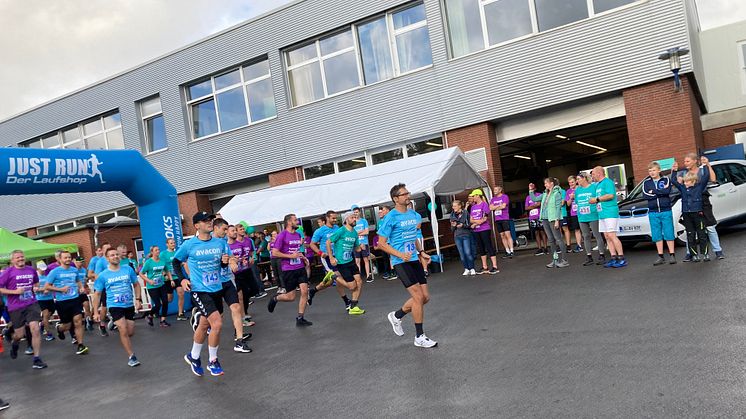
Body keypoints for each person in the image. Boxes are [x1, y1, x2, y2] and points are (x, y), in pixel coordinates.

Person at [174, 211, 232, 377]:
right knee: (217, 323)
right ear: (197, 225)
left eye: (211, 220)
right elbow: (176, 262)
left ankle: (193, 356)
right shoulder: (189, 245)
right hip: (199, 290)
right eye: (205, 220)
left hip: (216, 288)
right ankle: (213, 361)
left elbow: (221, 267)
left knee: (205, 324)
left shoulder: (219, 243)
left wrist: (223, 263)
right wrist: (182, 280)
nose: (209, 222)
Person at [380, 183, 436, 348]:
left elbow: (413, 237)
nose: (408, 196)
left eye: (408, 193)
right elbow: (381, 244)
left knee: (425, 297)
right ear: (396, 198)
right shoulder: (391, 217)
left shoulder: (414, 214)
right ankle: (419, 336)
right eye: (404, 194)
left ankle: (396, 316)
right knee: (418, 297)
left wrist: (421, 252)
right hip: (400, 262)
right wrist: (399, 255)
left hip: (413, 260)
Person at [92, 248, 143, 367]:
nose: (115, 256)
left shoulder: (128, 269)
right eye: (112, 255)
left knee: (130, 332)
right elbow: (97, 294)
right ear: (107, 258)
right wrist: (95, 312)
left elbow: (136, 284)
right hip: (115, 306)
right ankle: (132, 356)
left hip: (128, 304)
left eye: (116, 254)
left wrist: (138, 299)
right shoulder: (103, 275)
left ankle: (113, 324)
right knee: (123, 329)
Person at [210, 218, 252, 353]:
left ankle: (239, 340)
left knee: (235, 307)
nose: (227, 232)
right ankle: (200, 317)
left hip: (227, 278)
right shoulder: (206, 241)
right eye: (224, 229)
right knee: (218, 316)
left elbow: (230, 256)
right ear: (216, 228)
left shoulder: (223, 242)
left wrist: (233, 262)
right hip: (213, 282)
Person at [0, 250, 48, 369]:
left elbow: (36, 283)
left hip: (31, 303)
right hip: (16, 306)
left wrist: (36, 288)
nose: (20, 259)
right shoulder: (8, 272)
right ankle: (15, 343)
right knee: (19, 334)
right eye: (17, 258)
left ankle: (36, 359)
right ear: (12, 260)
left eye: (22, 257)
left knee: (35, 329)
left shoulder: (31, 270)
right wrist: (14, 292)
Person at [267, 214, 313, 326]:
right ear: (288, 222)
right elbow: (274, 252)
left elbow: (296, 251)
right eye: (295, 220)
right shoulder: (282, 235)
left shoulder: (298, 235)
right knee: (291, 297)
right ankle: (275, 299)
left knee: (304, 291)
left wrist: (302, 257)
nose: (298, 222)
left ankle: (300, 317)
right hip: (288, 269)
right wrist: (290, 256)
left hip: (299, 267)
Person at [681, 152, 725, 261]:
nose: (685, 163)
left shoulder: (702, 170)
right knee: (690, 230)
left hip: (703, 201)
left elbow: (713, 179)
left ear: (695, 161)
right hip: (690, 203)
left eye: (687, 161)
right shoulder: (684, 173)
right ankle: (689, 253)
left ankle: (718, 251)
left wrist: (708, 165)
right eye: (685, 161)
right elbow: (680, 185)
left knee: (710, 227)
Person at [671, 158, 716, 262]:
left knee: (702, 234)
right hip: (687, 215)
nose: (686, 183)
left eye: (688, 182)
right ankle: (694, 255)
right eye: (685, 181)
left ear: (694, 181)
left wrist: (705, 165)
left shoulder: (699, 187)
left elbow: (705, 177)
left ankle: (705, 254)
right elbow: (673, 180)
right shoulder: (682, 188)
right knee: (690, 235)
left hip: (698, 214)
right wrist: (674, 170)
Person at [45, 250, 89, 355]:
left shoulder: (74, 270)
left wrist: (81, 287)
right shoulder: (54, 272)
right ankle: (60, 329)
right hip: (62, 302)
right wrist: (61, 290)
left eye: (69, 257)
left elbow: (78, 280)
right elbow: (47, 286)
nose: (68, 259)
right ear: (60, 259)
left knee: (78, 321)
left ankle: (80, 345)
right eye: (65, 257)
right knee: (67, 326)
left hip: (75, 299)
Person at [308, 210, 349, 309]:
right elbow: (312, 244)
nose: (335, 220)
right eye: (333, 218)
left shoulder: (337, 228)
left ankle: (313, 291)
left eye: (336, 218)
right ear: (327, 218)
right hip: (327, 258)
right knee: (338, 277)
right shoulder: (320, 231)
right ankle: (347, 302)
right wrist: (320, 253)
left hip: (338, 257)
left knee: (331, 281)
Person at [327, 211, 365, 315]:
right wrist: (331, 258)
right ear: (346, 219)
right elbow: (328, 242)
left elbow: (356, 249)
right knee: (352, 287)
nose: (354, 219)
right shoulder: (341, 230)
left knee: (359, 282)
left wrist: (361, 247)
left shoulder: (354, 233)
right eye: (352, 217)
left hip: (350, 261)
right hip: (341, 262)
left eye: (355, 217)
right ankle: (334, 276)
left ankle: (353, 306)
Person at [589, 166, 627, 268]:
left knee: (612, 235)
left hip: (610, 212)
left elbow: (611, 195)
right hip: (602, 214)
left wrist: (596, 199)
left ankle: (622, 258)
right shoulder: (598, 185)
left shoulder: (608, 182)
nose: (592, 176)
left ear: (599, 173)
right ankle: (613, 257)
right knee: (606, 237)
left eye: (593, 174)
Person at [642, 162, 677, 265]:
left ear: (659, 170)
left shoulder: (665, 179)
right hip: (653, 212)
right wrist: (659, 192)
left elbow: (667, 191)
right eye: (650, 171)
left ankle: (672, 255)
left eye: (653, 170)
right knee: (656, 234)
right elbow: (645, 195)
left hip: (666, 210)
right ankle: (660, 256)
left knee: (669, 232)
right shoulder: (646, 183)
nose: (651, 172)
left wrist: (654, 192)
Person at [228, 225, 259, 327]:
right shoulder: (224, 245)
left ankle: (242, 314)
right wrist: (231, 263)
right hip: (233, 275)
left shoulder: (241, 243)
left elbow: (246, 255)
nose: (235, 233)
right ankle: (242, 317)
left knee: (252, 291)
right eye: (233, 231)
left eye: (235, 231)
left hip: (244, 270)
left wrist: (248, 259)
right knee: (240, 296)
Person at [575, 173, 606, 266]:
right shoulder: (577, 190)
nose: (577, 181)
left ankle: (602, 255)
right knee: (586, 236)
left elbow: (598, 198)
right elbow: (577, 202)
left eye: (578, 179)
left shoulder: (593, 187)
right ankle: (589, 256)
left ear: (584, 178)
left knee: (597, 235)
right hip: (582, 216)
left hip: (593, 215)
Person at [538, 178, 569, 268]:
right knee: (551, 240)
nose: (545, 185)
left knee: (558, 239)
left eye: (546, 183)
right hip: (545, 219)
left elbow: (558, 207)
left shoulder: (557, 193)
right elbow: (534, 198)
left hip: (552, 219)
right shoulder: (545, 194)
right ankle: (555, 259)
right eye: (544, 184)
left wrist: (557, 220)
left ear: (551, 183)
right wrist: (531, 190)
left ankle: (565, 260)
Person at [139, 245, 172, 328]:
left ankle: (163, 320)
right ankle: (149, 315)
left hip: (161, 284)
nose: (158, 251)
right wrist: (149, 280)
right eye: (156, 250)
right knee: (157, 304)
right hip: (152, 287)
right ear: (152, 252)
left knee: (165, 301)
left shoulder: (162, 261)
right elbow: (141, 273)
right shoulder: (149, 262)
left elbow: (167, 270)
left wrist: (170, 279)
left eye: (158, 250)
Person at [468, 189, 498, 274]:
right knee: (481, 248)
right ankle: (485, 267)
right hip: (476, 230)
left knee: (488, 246)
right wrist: (475, 223)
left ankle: (495, 266)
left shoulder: (484, 205)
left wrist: (476, 222)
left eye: (473, 196)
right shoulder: (473, 207)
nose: (472, 197)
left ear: (478, 195)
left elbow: (484, 218)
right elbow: (470, 219)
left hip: (484, 229)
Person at [161, 238, 187, 321]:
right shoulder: (163, 254)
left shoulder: (177, 253)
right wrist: (164, 274)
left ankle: (180, 313)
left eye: (174, 243)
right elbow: (161, 266)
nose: (173, 244)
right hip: (168, 278)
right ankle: (157, 306)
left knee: (181, 293)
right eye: (171, 243)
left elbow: (182, 263)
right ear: (167, 244)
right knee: (169, 299)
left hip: (177, 277)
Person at [450, 200, 475, 275]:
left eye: (455, 206)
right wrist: (453, 226)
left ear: (459, 206)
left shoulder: (465, 212)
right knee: (462, 254)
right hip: (457, 236)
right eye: (453, 206)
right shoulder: (452, 215)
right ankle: (466, 268)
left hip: (465, 234)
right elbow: (452, 229)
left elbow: (469, 225)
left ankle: (472, 268)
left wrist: (462, 225)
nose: (453, 207)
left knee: (468, 252)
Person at [93, 242, 112, 336]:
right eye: (106, 248)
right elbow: (96, 276)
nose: (108, 249)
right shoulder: (100, 261)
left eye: (110, 248)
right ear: (102, 250)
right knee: (104, 307)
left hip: (111, 287)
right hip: (102, 287)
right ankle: (102, 324)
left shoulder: (113, 259)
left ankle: (115, 321)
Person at [372, 206, 396, 280]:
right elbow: (379, 232)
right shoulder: (380, 222)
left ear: (388, 211)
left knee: (391, 257)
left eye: (383, 210)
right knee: (385, 258)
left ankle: (394, 272)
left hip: (390, 241)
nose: (381, 212)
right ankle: (387, 272)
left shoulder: (390, 218)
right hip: (383, 242)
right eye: (380, 211)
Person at [489, 186, 513, 259]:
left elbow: (503, 206)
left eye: (496, 190)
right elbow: (490, 208)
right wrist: (499, 205)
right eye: (494, 190)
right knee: (502, 235)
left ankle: (512, 251)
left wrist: (495, 207)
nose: (494, 191)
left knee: (507, 234)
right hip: (497, 219)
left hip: (504, 218)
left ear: (500, 190)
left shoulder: (504, 197)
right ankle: (507, 251)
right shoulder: (493, 199)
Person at [34, 261, 56, 341]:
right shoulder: (36, 277)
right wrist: (44, 289)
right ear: (38, 269)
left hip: (50, 298)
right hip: (40, 299)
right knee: (46, 315)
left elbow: (52, 285)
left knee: (50, 313)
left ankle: (42, 324)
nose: (43, 271)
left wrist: (49, 289)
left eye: (44, 269)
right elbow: (35, 289)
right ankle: (48, 334)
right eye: (42, 269)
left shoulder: (48, 276)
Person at [351, 205, 373, 283]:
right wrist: (361, 232)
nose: (356, 214)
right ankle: (358, 277)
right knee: (357, 261)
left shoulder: (364, 221)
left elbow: (367, 232)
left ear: (359, 212)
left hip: (364, 243)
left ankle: (368, 275)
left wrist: (357, 233)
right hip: (356, 244)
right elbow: (352, 233)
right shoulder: (353, 222)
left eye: (357, 212)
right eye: (354, 212)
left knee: (365, 259)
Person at [526, 184, 548, 255]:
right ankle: (539, 248)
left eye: (533, 188)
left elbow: (540, 204)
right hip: (532, 217)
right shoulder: (528, 197)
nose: (532, 190)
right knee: (536, 232)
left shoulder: (539, 195)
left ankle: (545, 247)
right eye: (530, 189)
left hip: (539, 216)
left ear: (535, 189)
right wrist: (535, 206)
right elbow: (526, 208)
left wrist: (531, 206)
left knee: (542, 231)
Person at [564, 176, 584, 253]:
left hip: (582, 211)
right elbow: (568, 205)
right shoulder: (568, 191)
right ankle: (579, 245)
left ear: (576, 181)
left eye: (572, 182)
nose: (571, 184)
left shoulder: (581, 188)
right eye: (569, 182)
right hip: (574, 213)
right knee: (577, 229)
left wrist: (575, 196)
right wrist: (571, 198)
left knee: (585, 229)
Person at [73, 256, 93, 332]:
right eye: (80, 262)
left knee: (87, 306)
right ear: (76, 262)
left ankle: (88, 322)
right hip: (75, 293)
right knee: (79, 311)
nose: (81, 263)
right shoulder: (73, 270)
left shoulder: (84, 270)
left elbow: (85, 281)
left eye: (82, 261)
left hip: (83, 292)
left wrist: (86, 287)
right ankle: (82, 324)